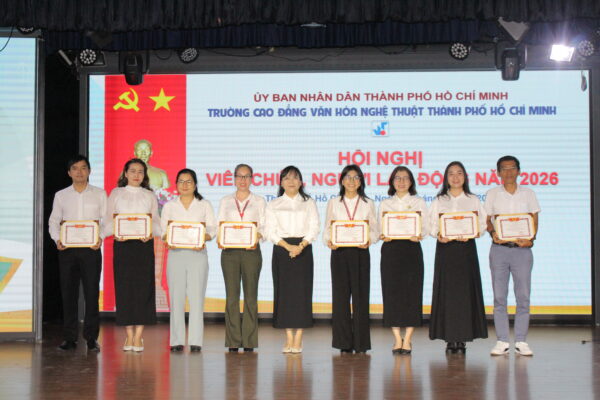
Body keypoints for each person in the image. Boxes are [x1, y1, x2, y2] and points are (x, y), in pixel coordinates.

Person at [48, 155, 106, 351]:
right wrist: (57, 239)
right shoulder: (61, 195)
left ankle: (91, 338)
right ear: (69, 172)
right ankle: (69, 338)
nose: (79, 172)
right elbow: (54, 221)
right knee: (68, 294)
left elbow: (106, 220)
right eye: (75, 168)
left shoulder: (100, 194)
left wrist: (100, 237)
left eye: (83, 168)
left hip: (91, 249)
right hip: (68, 250)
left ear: (89, 171)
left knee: (92, 294)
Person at [428, 161, 488, 353]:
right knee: (447, 293)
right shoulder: (439, 200)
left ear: (465, 177)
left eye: (459, 173)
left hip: (466, 249)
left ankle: (462, 338)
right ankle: (449, 338)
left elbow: (483, 224)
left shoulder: (473, 200)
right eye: (451, 173)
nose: (455, 177)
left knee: (464, 293)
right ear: (446, 178)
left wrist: (473, 233)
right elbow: (430, 224)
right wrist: (439, 234)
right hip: (446, 249)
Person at [485, 156, 540, 356]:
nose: (508, 172)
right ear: (498, 172)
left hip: (522, 251)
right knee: (499, 297)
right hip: (499, 250)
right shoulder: (492, 194)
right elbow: (487, 220)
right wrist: (493, 233)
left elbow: (534, 219)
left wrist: (531, 239)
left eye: (512, 168)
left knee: (523, 296)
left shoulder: (528, 193)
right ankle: (502, 341)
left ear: (519, 171)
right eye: (504, 169)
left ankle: (521, 341)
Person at [105, 158, 161, 352]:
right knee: (125, 289)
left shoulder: (149, 195)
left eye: (140, 171)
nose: (137, 175)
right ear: (125, 173)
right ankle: (129, 334)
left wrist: (151, 232)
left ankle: (138, 336)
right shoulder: (116, 193)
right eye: (133, 171)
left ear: (144, 175)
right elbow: (108, 220)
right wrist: (112, 233)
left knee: (144, 289)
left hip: (144, 246)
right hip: (123, 245)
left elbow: (156, 221)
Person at [323, 164, 379, 354]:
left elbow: (375, 229)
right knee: (340, 298)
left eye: (356, 177)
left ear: (361, 181)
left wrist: (369, 240)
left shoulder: (368, 203)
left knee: (361, 297)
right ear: (341, 181)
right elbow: (327, 228)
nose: (352, 181)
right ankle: (343, 343)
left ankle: (361, 343)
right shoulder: (334, 202)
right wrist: (329, 241)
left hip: (360, 253)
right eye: (348, 177)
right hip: (339, 253)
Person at [265, 166, 320, 353]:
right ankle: (288, 336)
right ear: (281, 182)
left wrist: (300, 246)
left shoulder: (309, 202)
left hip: (303, 249)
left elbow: (314, 227)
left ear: (301, 182)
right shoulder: (274, 204)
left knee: (302, 294)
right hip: (282, 250)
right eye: (287, 178)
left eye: (295, 178)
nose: (291, 181)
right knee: (284, 294)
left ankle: (299, 337)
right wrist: (289, 247)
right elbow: (269, 231)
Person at [161, 168, 216, 353]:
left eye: (189, 181)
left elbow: (213, 229)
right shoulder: (169, 206)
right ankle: (176, 340)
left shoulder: (204, 204)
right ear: (176, 185)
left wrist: (203, 238)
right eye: (181, 181)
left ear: (195, 184)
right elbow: (163, 231)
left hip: (197, 256)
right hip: (175, 255)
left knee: (196, 298)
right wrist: (169, 238)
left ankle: (195, 341)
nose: (185, 185)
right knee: (176, 299)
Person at [378, 166, 428, 355]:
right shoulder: (385, 203)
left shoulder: (418, 202)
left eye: (405, 178)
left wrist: (420, 234)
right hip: (391, 251)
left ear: (411, 181)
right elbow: (378, 228)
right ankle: (397, 338)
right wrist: (382, 234)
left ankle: (407, 339)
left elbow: (427, 226)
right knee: (391, 293)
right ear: (392, 181)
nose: (401, 181)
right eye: (397, 178)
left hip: (411, 250)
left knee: (412, 293)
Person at [218, 164, 266, 352]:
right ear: (234, 178)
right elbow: (220, 224)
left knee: (250, 297)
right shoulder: (225, 201)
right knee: (231, 297)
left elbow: (265, 226)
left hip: (251, 252)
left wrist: (256, 235)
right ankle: (233, 340)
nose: (243, 180)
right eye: (239, 176)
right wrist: (222, 238)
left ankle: (249, 341)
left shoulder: (259, 201)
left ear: (252, 179)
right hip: (229, 253)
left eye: (247, 176)